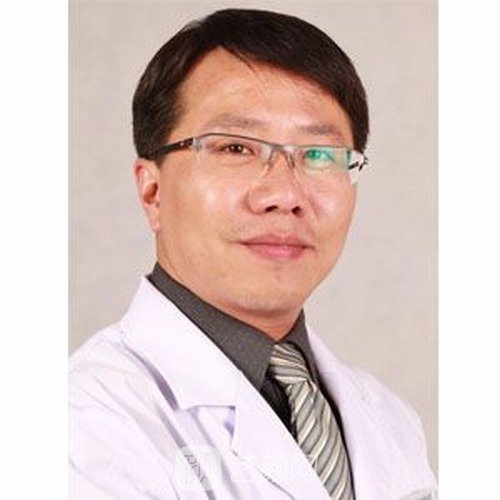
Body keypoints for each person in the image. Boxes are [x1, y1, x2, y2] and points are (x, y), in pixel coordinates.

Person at [69, 8, 437, 500]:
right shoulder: (81, 425)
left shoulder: (390, 419)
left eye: (319, 154)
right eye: (236, 149)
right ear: (153, 191)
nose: (284, 194)